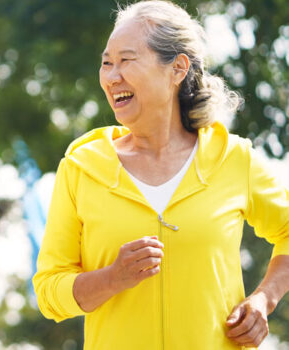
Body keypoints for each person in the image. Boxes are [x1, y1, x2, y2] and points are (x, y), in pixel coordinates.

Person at [33, 1, 289, 349]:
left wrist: (264, 299)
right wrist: (112, 278)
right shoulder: (82, 167)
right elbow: (49, 291)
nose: (111, 76)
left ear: (177, 68)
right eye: (106, 63)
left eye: (126, 60)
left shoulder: (233, 158)